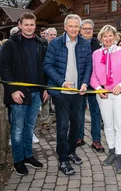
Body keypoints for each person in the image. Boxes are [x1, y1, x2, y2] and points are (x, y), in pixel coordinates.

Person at [43, 14, 92, 175]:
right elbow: (47, 66)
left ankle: (71, 151)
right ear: (65, 27)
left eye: (76, 26)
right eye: (70, 26)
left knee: (77, 125)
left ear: (79, 28)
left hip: (78, 93)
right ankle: (63, 159)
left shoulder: (85, 44)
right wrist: (62, 82)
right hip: (62, 92)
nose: (73, 29)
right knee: (63, 126)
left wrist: (85, 83)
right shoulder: (55, 43)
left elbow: (88, 67)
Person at [1, 12, 48, 176]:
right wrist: (13, 89)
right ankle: (18, 160)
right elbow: (4, 69)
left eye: (32, 24)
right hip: (19, 94)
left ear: (35, 26)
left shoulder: (41, 43)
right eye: (26, 24)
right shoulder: (10, 44)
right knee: (18, 129)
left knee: (30, 127)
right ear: (20, 25)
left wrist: (45, 88)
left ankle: (28, 156)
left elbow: (45, 68)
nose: (29, 27)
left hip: (36, 93)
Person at [90, 25, 121, 174]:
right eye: (105, 36)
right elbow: (93, 75)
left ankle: (119, 156)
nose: (108, 39)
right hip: (103, 94)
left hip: (120, 94)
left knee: (120, 125)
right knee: (108, 124)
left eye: (111, 36)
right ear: (101, 38)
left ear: (116, 37)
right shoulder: (96, 54)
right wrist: (98, 88)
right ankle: (111, 150)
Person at [77, 19, 104, 152]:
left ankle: (96, 140)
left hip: (95, 83)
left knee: (95, 112)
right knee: (79, 111)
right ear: (80, 30)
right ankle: (79, 136)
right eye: (85, 28)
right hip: (80, 83)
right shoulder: (76, 43)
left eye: (90, 29)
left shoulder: (97, 44)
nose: (87, 31)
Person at [40, 27, 58, 130]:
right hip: (46, 76)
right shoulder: (42, 46)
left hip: (57, 77)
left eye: (54, 35)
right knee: (45, 100)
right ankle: (45, 120)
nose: (53, 37)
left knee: (57, 99)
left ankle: (57, 117)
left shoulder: (59, 45)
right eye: (50, 35)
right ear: (46, 36)